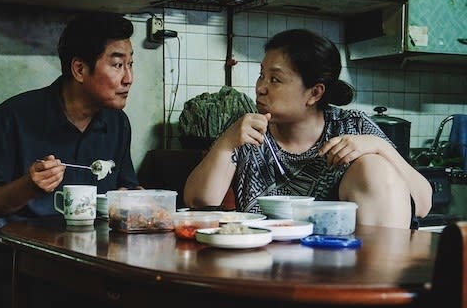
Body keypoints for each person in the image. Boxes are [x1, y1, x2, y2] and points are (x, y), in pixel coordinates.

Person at [0, 11, 140, 308]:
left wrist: (136, 200)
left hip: (96, 271)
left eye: (130, 63)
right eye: (116, 64)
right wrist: (28, 187)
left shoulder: (117, 124)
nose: (128, 78)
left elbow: (127, 187)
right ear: (80, 69)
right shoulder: (12, 118)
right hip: (28, 277)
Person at [184, 29, 432, 229]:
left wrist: (379, 147)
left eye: (275, 79)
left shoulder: (352, 126)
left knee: (374, 165)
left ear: (314, 92)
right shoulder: (247, 130)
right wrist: (226, 143)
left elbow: (422, 204)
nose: (260, 87)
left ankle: (374, 281)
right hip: (263, 266)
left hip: (343, 265)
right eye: (261, 75)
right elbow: (199, 201)